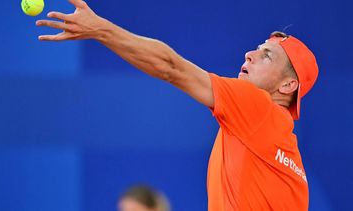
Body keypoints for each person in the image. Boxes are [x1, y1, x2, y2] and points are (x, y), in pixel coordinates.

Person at [36, 0, 318, 210]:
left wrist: (101, 30)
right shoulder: (279, 143)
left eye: (267, 56)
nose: (250, 54)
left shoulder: (257, 108)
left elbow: (170, 67)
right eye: (257, 47)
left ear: (288, 86)